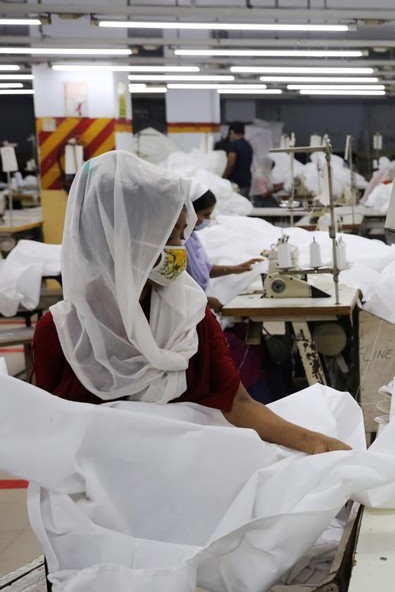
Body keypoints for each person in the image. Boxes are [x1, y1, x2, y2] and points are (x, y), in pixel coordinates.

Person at [31, 151, 349, 455]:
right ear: (125, 241)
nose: (178, 250)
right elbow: (52, 430)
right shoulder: (62, 331)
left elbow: (238, 405)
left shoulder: (189, 315)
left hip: (180, 471)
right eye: (169, 237)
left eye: (182, 236)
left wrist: (317, 443)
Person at [186, 188, 264, 312]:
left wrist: (235, 269)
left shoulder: (192, 237)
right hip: (192, 304)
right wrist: (207, 301)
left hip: (199, 301)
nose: (207, 220)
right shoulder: (182, 241)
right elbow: (182, 286)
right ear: (191, 211)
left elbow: (205, 269)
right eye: (206, 215)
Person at [223, 122, 254, 197]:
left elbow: (230, 164)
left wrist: (223, 177)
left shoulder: (233, 145)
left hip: (236, 182)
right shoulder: (248, 145)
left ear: (232, 131)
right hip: (247, 180)